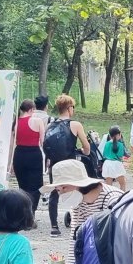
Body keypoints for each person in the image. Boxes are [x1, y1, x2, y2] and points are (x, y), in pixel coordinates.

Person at [43, 94, 91, 237]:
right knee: (78, 190)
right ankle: (78, 221)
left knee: (54, 192)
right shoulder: (75, 124)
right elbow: (86, 146)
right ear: (69, 108)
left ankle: (54, 226)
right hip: (70, 163)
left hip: (55, 164)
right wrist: (85, 152)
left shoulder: (49, 125)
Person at [9, 99, 46, 212]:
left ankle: (23, 212)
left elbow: (11, 145)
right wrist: (47, 158)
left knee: (22, 186)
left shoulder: (16, 123)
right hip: (34, 154)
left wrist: (10, 163)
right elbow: (43, 141)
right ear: (31, 109)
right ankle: (31, 212)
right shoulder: (37, 121)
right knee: (36, 186)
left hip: (19, 154)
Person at [100, 126, 130, 190]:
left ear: (110, 136)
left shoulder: (107, 144)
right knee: (122, 184)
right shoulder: (120, 145)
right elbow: (120, 156)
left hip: (107, 164)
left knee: (108, 186)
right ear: (118, 135)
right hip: (117, 164)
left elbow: (104, 155)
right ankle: (122, 197)